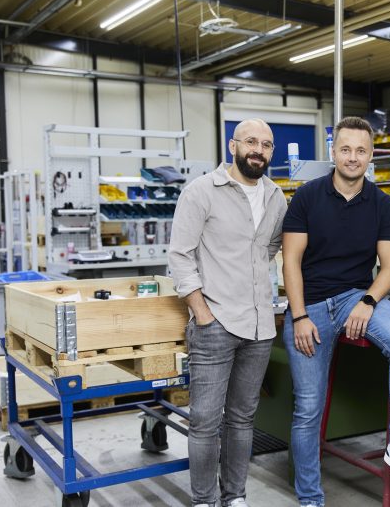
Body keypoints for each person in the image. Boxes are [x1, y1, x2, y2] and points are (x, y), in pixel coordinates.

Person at [282, 116, 390, 507]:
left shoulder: (382, 205)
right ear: (334, 152)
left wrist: (368, 302)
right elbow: (291, 262)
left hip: (355, 297)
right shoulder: (307, 197)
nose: (353, 157)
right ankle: (310, 498)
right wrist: (299, 316)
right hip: (310, 305)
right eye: (345, 149)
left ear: (371, 157)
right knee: (308, 407)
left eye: (361, 151)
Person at [169, 118, 287, 507]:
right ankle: (203, 500)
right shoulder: (201, 192)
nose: (259, 150)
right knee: (205, 420)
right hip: (214, 324)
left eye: (266, 144)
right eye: (251, 141)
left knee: (242, 420)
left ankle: (234, 496)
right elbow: (180, 258)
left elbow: (269, 250)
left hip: (259, 327)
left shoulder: (275, 197)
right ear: (233, 145)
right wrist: (203, 313)